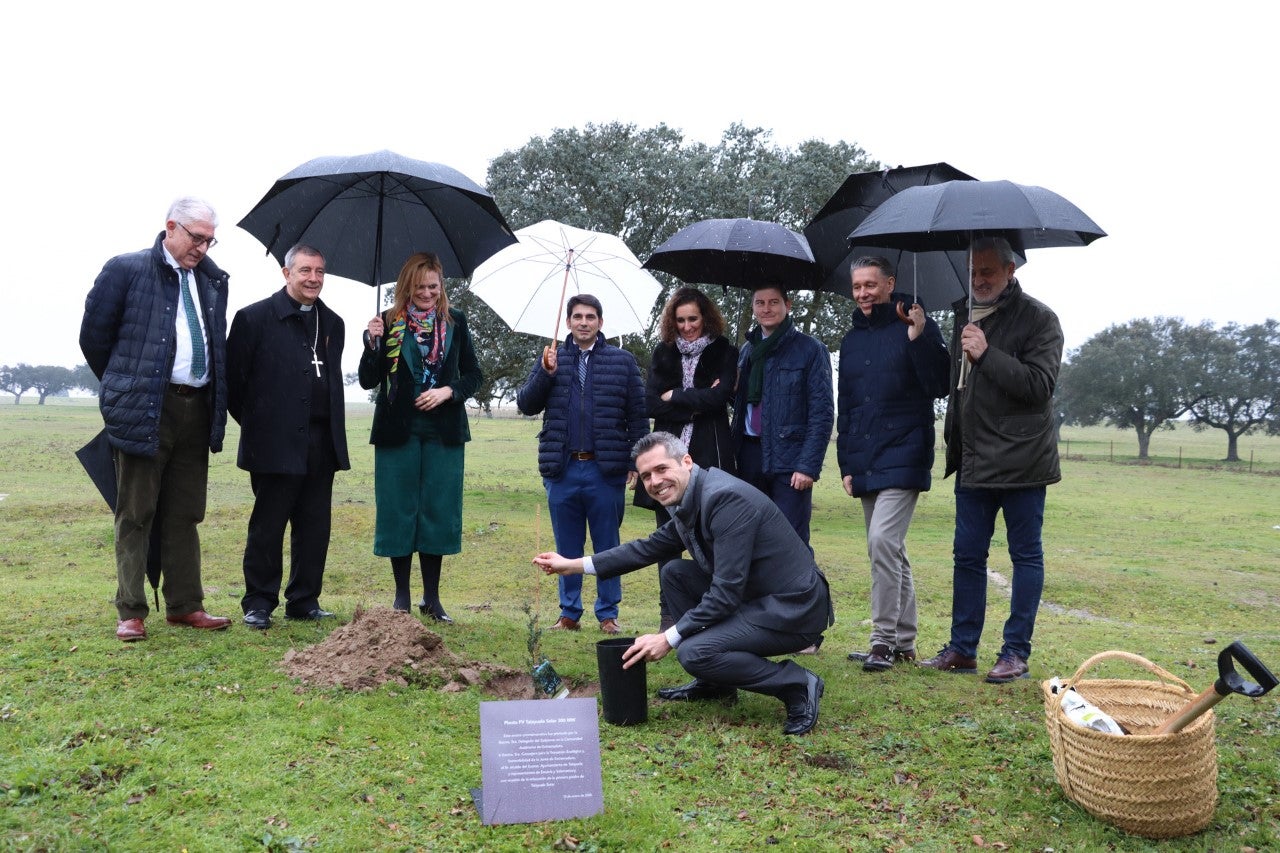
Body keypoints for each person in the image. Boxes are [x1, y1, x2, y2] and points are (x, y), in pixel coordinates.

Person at [533, 432, 834, 735]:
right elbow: (647, 548)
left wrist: (668, 638)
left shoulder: (725, 499)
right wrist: (572, 565)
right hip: (757, 596)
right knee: (675, 572)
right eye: (647, 475)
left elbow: (725, 595)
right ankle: (716, 683)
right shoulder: (693, 495)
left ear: (686, 461)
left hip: (794, 610)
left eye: (662, 469)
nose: (654, 481)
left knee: (694, 652)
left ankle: (796, 684)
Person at [79, 197, 233, 641]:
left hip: (197, 408)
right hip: (147, 407)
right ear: (171, 227)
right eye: (196, 237)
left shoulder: (212, 281)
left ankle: (186, 605)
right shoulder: (125, 270)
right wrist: (128, 384)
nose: (203, 248)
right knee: (136, 511)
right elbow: (95, 338)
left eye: (209, 240)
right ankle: (131, 611)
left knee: (185, 513)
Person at [920, 236, 1064, 684]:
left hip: (1023, 462)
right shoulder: (961, 315)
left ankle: (1015, 653)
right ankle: (963, 650)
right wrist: (921, 336)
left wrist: (986, 353)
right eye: (974, 270)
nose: (979, 279)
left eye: (988, 271)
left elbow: (1039, 386)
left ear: (1010, 271)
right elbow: (953, 386)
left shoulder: (1040, 319)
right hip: (974, 460)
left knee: (1025, 556)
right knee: (967, 556)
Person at [226, 244, 350, 629]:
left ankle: (304, 599)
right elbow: (234, 388)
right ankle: (259, 602)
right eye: (305, 271)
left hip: (320, 442)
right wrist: (264, 426)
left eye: (320, 271)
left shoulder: (332, 323)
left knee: (314, 526)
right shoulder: (254, 319)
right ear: (286, 273)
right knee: (268, 525)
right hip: (273, 442)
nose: (313, 278)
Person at [836, 257, 950, 672]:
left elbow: (939, 385)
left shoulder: (917, 324)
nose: (864, 293)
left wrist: (919, 337)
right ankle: (905, 642)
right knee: (890, 549)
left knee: (882, 542)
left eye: (871, 285)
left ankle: (881, 640)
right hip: (864, 457)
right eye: (857, 287)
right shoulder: (851, 340)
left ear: (890, 283)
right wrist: (845, 462)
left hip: (906, 451)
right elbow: (845, 405)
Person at [359, 252, 482, 621]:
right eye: (420, 287)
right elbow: (368, 380)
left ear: (441, 285)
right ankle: (401, 598)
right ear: (406, 288)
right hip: (398, 430)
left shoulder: (456, 322)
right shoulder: (387, 321)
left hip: (444, 432)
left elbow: (474, 375)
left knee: (437, 511)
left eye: (434, 286)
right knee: (399, 510)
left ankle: (432, 598)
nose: (428, 293)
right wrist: (372, 344)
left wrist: (448, 392)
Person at [516, 294, 647, 634]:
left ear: (600, 323)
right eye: (577, 316)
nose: (584, 322)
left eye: (591, 316)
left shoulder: (623, 362)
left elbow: (637, 416)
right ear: (568, 322)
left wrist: (636, 459)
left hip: (606, 470)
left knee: (608, 546)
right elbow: (527, 404)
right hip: (563, 468)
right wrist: (545, 374)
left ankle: (607, 614)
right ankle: (569, 613)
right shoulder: (550, 358)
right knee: (567, 546)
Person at [639, 287, 738, 631]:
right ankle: (669, 613)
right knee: (666, 534)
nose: (687, 326)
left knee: (709, 533)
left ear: (705, 317)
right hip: (665, 452)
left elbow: (721, 397)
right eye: (680, 320)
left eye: (693, 319)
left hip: (709, 453)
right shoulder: (662, 352)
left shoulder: (725, 351)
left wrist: (677, 395)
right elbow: (651, 403)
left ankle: (711, 610)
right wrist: (698, 399)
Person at [732, 284, 833, 546]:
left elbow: (821, 413)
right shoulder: (747, 351)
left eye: (774, 302)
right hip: (749, 454)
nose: (766, 309)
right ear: (752, 307)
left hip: (789, 459)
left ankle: (803, 588)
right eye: (760, 303)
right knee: (749, 536)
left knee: (790, 542)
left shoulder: (811, 350)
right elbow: (745, 404)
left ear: (788, 305)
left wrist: (807, 466)